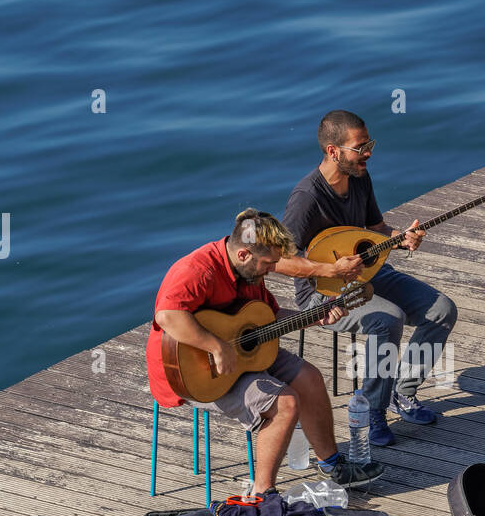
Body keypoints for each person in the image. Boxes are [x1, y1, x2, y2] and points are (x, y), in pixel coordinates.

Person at [146, 208, 385, 493]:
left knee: (309, 377)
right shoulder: (198, 269)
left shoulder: (249, 274)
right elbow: (168, 316)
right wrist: (216, 346)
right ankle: (263, 494)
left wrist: (315, 315)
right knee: (284, 404)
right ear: (244, 255)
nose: (272, 269)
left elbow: (268, 316)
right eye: (268, 264)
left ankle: (332, 464)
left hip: (247, 357)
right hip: (191, 373)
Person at [278, 109, 458, 446]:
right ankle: (374, 410)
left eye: (369, 144)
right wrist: (331, 270)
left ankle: (401, 392)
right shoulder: (306, 198)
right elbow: (278, 260)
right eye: (360, 147)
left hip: (368, 272)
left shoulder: (360, 177)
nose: (368, 153)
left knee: (442, 309)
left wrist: (401, 237)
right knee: (387, 318)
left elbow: (375, 230)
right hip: (321, 293)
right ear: (333, 151)